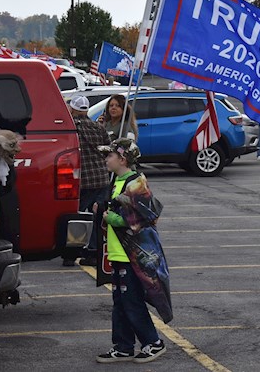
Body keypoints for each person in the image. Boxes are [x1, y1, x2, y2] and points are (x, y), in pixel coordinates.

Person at [95, 139, 169, 363]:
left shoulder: (136, 182)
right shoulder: (115, 180)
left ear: (122, 159)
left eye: (109, 156)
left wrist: (114, 218)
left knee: (132, 300)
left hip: (132, 255)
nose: (106, 159)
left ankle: (153, 342)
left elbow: (146, 216)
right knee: (120, 301)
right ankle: (123, 345)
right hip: (118, 253)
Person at [70, 95, 113, 212]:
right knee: (98, 215)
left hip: (83, 180)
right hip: (101, 178)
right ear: (87, 110)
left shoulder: (71, 128)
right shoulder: (98, 127)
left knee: (80, 214)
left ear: (72, 109)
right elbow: (109, 149)